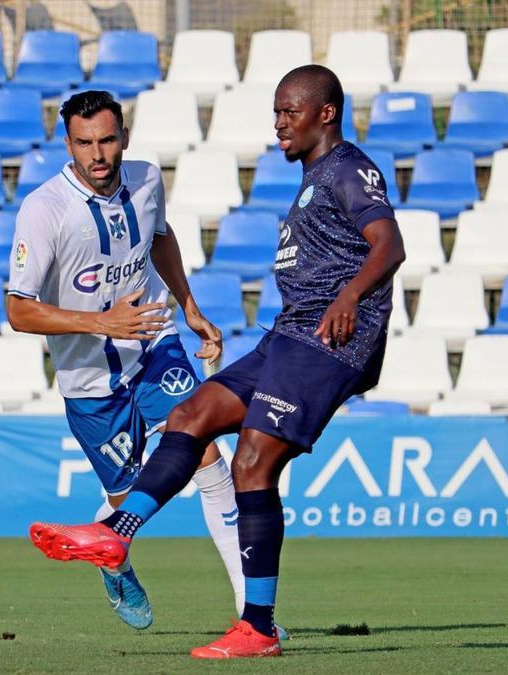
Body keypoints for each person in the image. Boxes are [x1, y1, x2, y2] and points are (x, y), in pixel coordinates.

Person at [29, 65, 405, 658]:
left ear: (325, 113)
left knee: (251, 465)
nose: (279, 123)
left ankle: (256, 626)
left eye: (290, 111)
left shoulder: (349, 169)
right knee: (193, 415)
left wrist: (350, 299)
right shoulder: (315, 176)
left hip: (326, 342)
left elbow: (390, 243)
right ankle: (115, 534)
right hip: (288, 337)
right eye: (277, 111)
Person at [7, 91, 250, 630]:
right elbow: (19, 311)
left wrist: (189, 307)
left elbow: (160, 239)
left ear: (124, 137)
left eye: (107, 140)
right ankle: (112, 556)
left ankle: (252, 615)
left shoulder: (145, 180)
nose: (98, 154)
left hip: (154, 346)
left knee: (208, 457)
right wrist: (100, 322)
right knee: (128, 505)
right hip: (91, 382)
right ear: (66, 144)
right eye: (84, 143)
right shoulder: (44, 211)